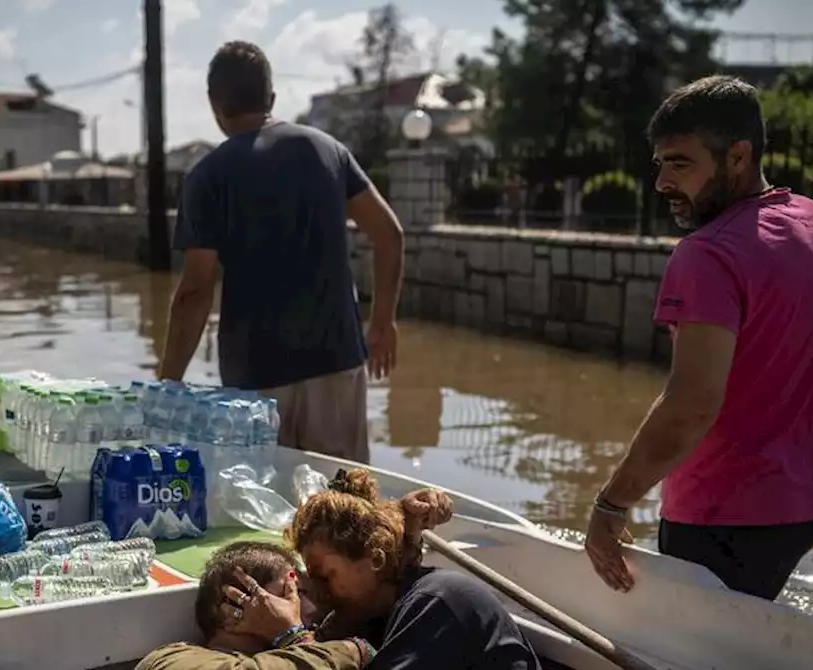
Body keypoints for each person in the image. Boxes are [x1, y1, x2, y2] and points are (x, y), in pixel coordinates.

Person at [583, 75, 813, 601]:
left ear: (738, 156)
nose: (662, 182)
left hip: (722, 515)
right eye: (660, 163)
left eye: (681, 163)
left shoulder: (708, 252)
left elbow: (691, 403)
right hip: (806, 507)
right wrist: (776, 409)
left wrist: (610, 505)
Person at [158, 41, 405, 464]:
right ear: (271, 98)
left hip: (256, 380)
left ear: (215, 104)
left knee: (263, 516)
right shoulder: (327, 151)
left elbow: (195, 292)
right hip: (337, 361)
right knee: (347, 511)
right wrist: (382, 323)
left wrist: (168, 384)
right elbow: (390, 234)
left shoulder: (208, 175)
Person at [224, 470, 541, 669]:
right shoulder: (368, 611)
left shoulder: (436, 603)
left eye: (327, 576)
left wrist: (290, 635)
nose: (319, 593)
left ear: (374, 560)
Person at [137, 487, 454, 670]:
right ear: (235, 602)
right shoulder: (172, 660)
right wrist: (296, 636)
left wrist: (400, 527)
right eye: (295, 589)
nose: (318, 598)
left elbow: (372, 595)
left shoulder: (307, 643)